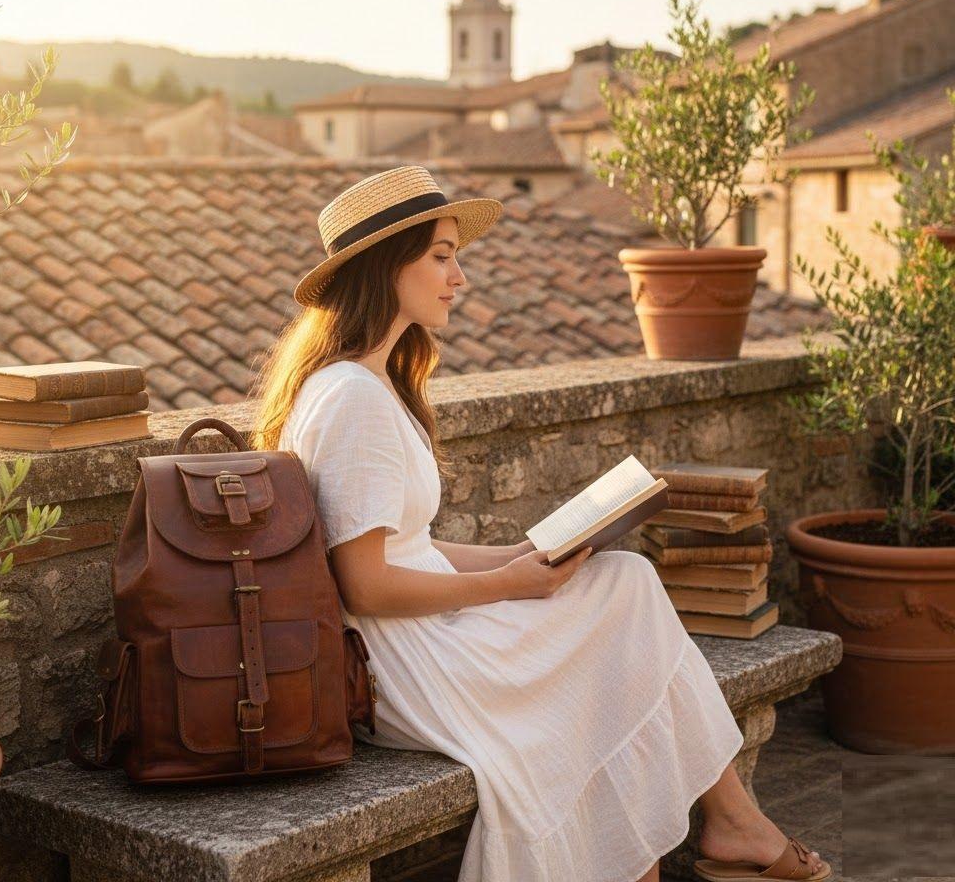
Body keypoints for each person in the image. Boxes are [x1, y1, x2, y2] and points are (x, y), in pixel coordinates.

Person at [249, 166, 831, 882]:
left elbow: (410, 548)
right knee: (626, 594)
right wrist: (507, 584)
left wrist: (517, 553)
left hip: (420, 645)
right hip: (409, 668)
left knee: (623, 593)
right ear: (384, 265)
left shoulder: (360, 385)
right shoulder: (352, 399)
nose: (458, 276)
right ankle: (727, 827)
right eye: (441, 255)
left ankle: (702, 835)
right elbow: (365, 586)